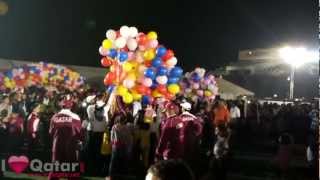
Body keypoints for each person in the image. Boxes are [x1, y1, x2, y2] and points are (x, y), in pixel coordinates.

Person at [156, 100, 203, 176]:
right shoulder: (182, 119)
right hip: (181, 150)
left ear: (170, 110)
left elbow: (163, 139)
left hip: (170, 153)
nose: (165, 113)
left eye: (166, 111)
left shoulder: (169, 122)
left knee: (169, 173)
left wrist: (158, 153)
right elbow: (198, 129)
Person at [49, 97, 83, 180]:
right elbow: (80, 133)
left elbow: (51, 132)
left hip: (57, 145)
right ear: (71, 106)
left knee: (55, 167)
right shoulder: (75, 117)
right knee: (72, 168)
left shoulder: (54, 117)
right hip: (71, 145)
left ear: (62, 106)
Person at [108, 114, 133, 179]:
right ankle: (123, 175)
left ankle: (111, 175)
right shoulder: (127, 127)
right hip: (124, 146)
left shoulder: (115, 126)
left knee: (113, 161)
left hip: (116, 145)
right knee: (123, 161)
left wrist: (111, 145)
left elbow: (112, 137)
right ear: (125, 120)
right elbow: (129, 138)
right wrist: (128, 146)